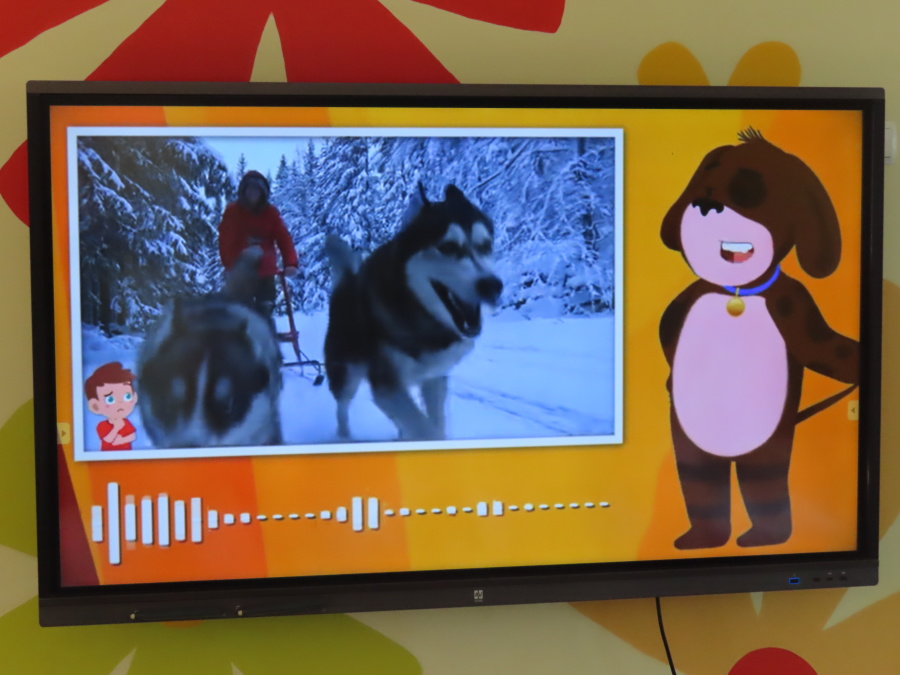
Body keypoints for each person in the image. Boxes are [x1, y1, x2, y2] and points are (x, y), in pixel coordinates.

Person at [218, 170, 299, 320]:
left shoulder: (271, 213)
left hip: (265, 272)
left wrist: (290, 263)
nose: (253, 194)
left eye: (257, 190)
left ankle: (264, 331)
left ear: (263, 192)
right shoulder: (233, 212)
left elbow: (284, 239)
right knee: (241, 314)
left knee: (265, 312)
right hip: (240, 273)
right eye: (250, 190)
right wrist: (230, 264)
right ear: (243, 191)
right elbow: (225, 241)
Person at [85, 362, 138, 451]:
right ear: (95, 406)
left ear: (134, 397)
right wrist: (116, 428)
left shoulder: (126, 422)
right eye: (110, 399)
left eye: (127, 396)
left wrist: (122, 440)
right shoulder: (102, 425)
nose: (120, 402)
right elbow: (107, 439)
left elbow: (132, 436)